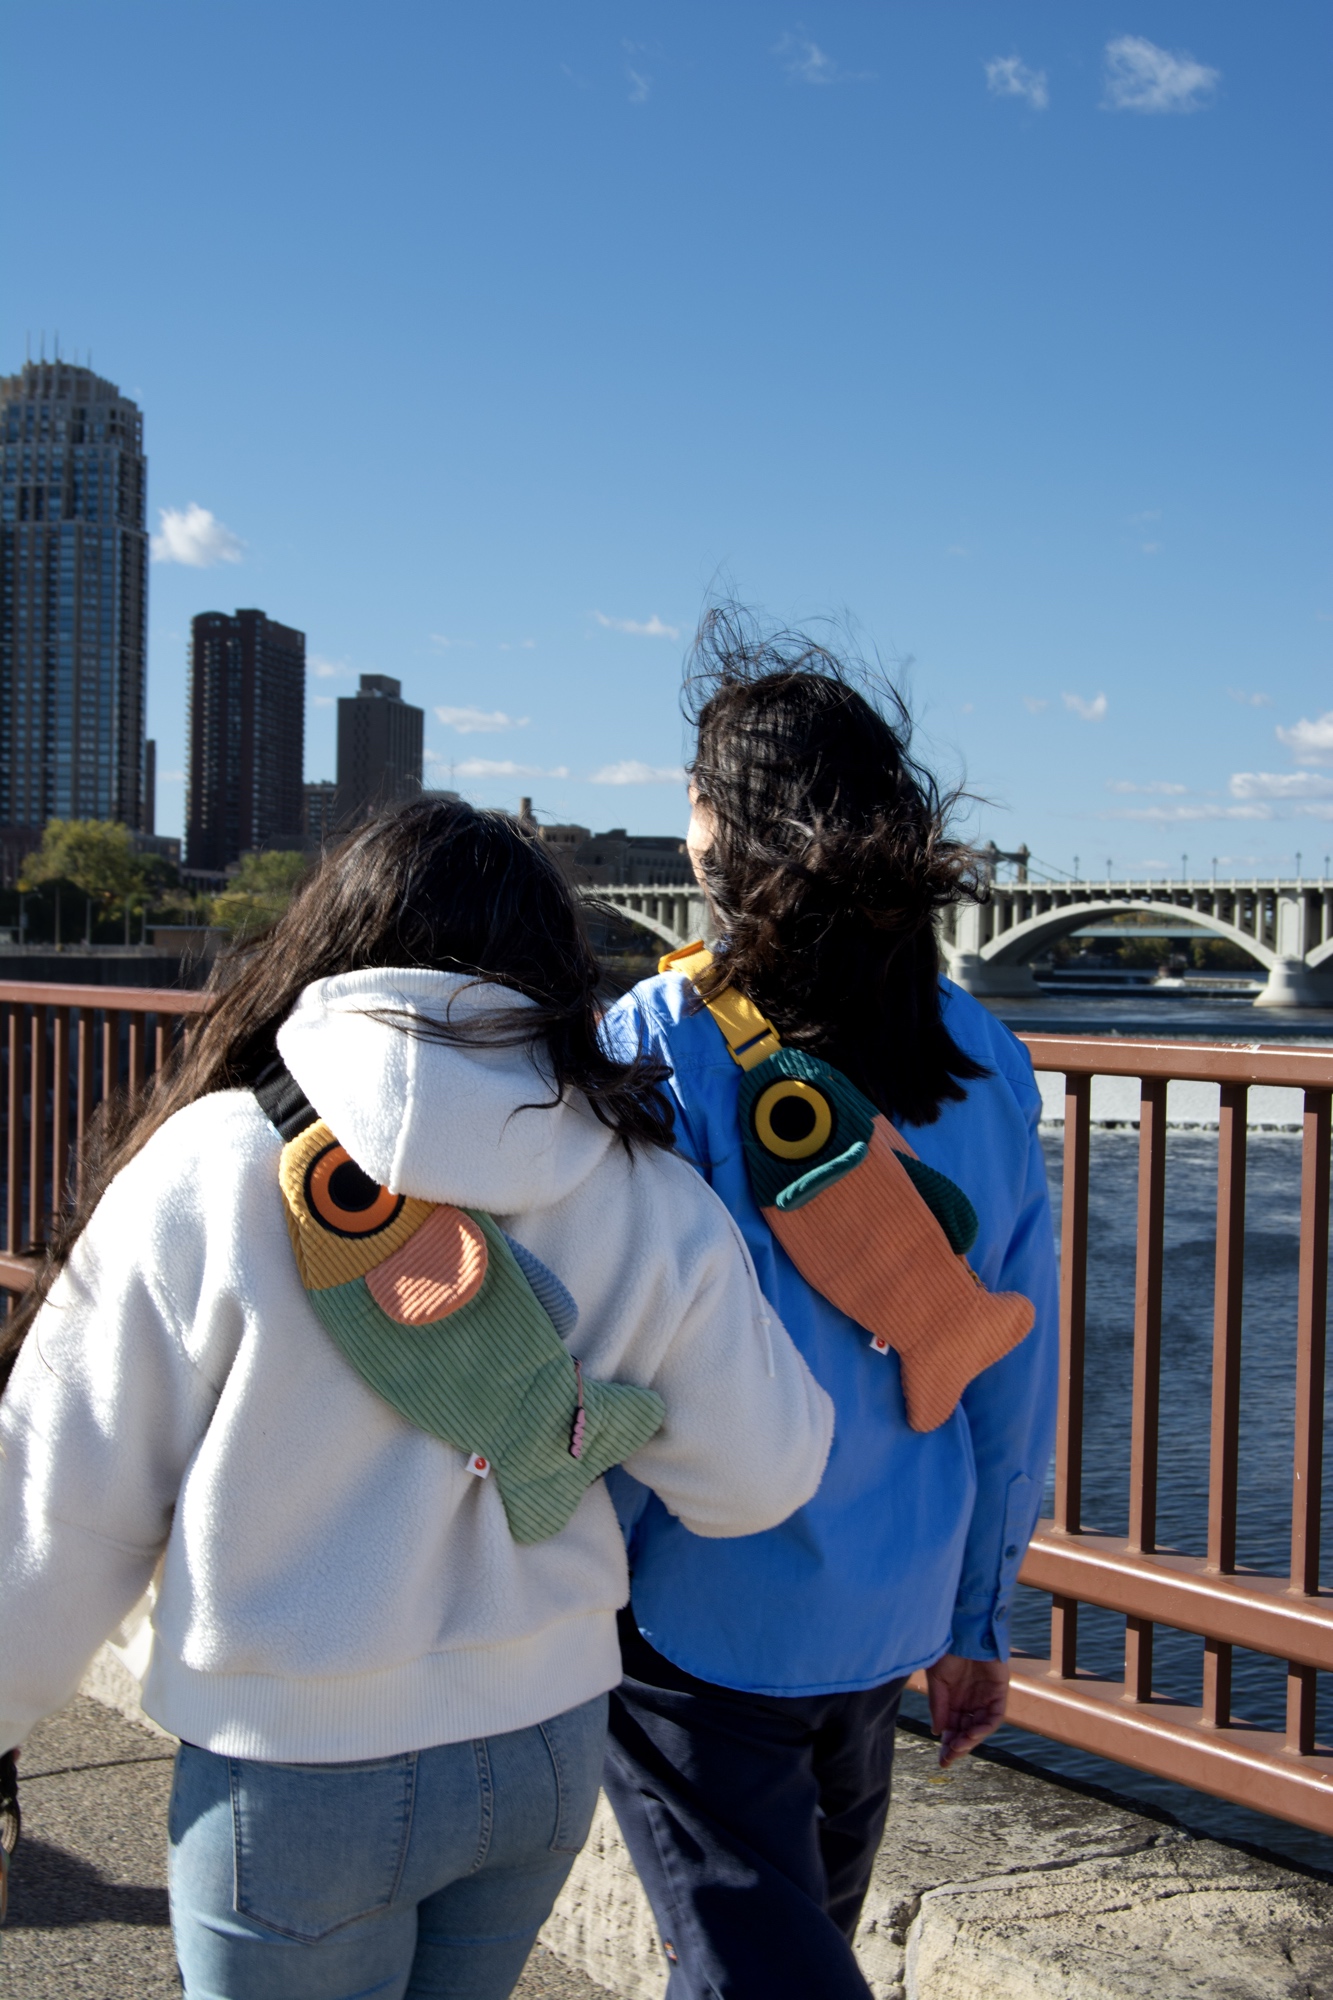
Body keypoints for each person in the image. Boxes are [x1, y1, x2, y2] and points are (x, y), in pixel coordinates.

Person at [0, 799, 833, 2000]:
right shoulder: (640, 1182)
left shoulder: (214, 1162)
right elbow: (763, 1477)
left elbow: (58, 1501)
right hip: (544, 1738)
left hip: (293, 1766)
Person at [600, 612, 1059, 1999]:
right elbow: (1009, 1372)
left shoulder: (659, 1040)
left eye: (692, 792)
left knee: (753, 1967)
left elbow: (601, 1333)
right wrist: (978, 1616)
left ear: (723, 831)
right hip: (891, 1600)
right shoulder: (983, 1054)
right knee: (789, 1948)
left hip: (698, 1602)